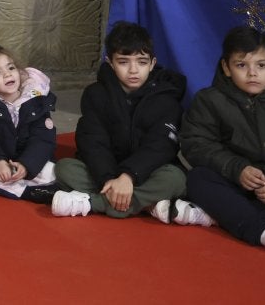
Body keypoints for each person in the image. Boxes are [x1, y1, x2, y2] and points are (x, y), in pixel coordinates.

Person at [51, 21, 187, 218]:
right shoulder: (96, 94)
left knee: (176, 179)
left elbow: (161, 146)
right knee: (64, 169)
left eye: (141, 62)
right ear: (111, 63)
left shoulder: (167, 99)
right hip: (107, 172)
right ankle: (144, 204)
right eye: (123, 62)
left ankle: (92, 203)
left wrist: (129, 176)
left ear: (152, 64)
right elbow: (92, 141)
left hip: (144, 173)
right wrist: (108, 179)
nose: (133, 70)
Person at [174, 25, 265, 251]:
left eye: (261, 65)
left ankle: (224, 216)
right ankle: (264, 232)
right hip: (233, 180)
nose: (252, 73)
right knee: (198, 178)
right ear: (226, 67)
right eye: (241, 65)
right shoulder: (210, 100)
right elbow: (196, 144)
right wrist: (237, 169)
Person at [0, 45, 59, 203]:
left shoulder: (35, 101)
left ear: (19, 72)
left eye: (11, 68)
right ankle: (28, 192)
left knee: (54, 171)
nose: (7, 74)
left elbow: (43, 139)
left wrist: (26, 165)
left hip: (24, 160)